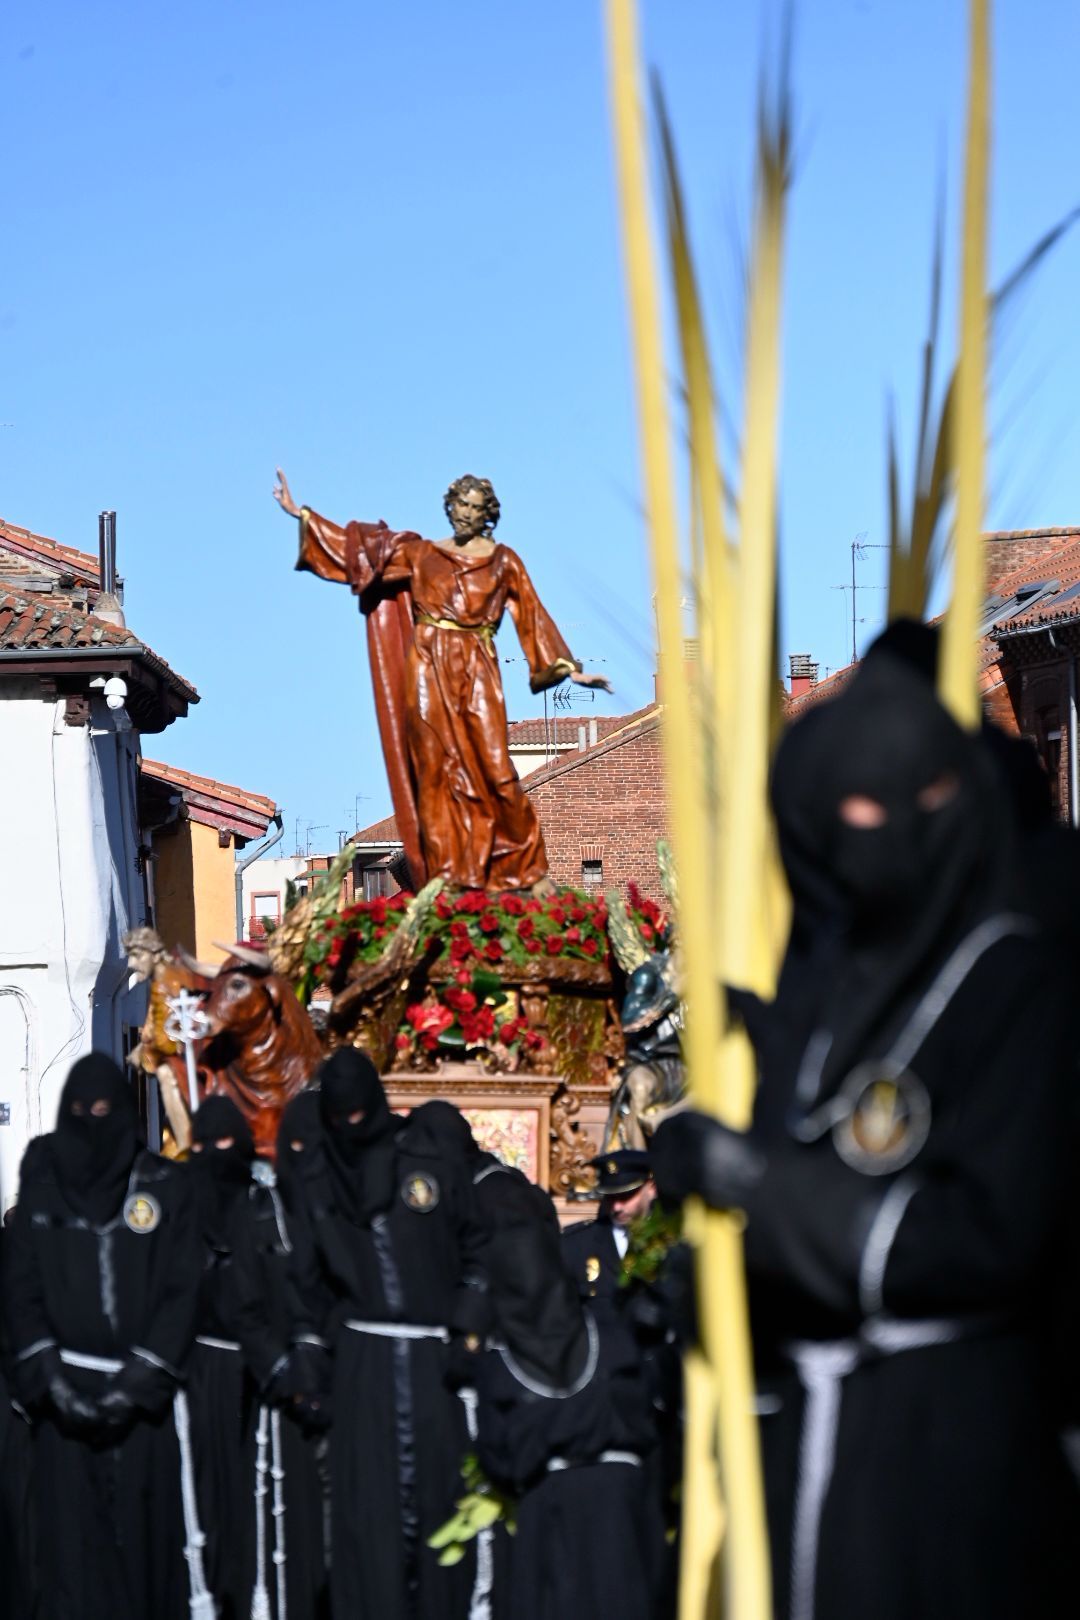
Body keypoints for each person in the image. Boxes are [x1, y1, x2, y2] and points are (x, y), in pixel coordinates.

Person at [653, 646, 1080, 1620]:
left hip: (952, 1463)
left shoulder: (1019, 982)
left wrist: (764, 1188)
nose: (864, 843)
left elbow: (991, 1234)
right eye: (837, 817)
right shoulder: (823, 994)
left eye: (885, 807)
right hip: (807, 1454)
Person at [274, 468, 611, 892]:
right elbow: (362, 554)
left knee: (495, 767)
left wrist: (570, 669)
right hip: (427, 667)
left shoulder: (503, 561)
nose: (465, 513)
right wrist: (302, 515)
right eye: (460, 504)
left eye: (475, 507)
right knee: (433, 771)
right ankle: (448, 874)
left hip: (477, 667)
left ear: (488, 514)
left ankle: (525, 871)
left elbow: (532, 614)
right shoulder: (422, 555)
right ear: (450, 507)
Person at [285, 1048, 484, 1620]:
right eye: (340, 1117)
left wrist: (468, 1329)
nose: (352, 1126)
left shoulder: (428, 1163)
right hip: (363, 1366)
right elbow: (307, 1284)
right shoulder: (319, 1180)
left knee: (441, 1503)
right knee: (368, 1515)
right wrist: (311, 1364)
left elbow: (477, 1248)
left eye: (359, 1114)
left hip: (434, 1362)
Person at [4, 1053, 205, 1620]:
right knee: (71, 1553)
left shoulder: (165, 1186)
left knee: (143, 1550)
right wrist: (50, 1379)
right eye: (80, 1110)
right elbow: (21, 1289)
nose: (93, 1122)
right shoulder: (44, 1189)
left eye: (103, 1110)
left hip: (142, 1408)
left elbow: (184, 1288)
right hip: (63, 1403)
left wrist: (139, 1382)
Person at [474, 1195, 661, 1620]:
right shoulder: (610, 1336)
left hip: (550, 1512)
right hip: (622, 1509)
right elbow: (644, 1420)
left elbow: (497, 1460)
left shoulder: (500, 1367)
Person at [562, 1149, 656, 1311]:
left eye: (626, 1196)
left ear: (651, 1188)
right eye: (611, 1197)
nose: (617, 1207)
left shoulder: (671, 1242)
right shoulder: (576, 1245)